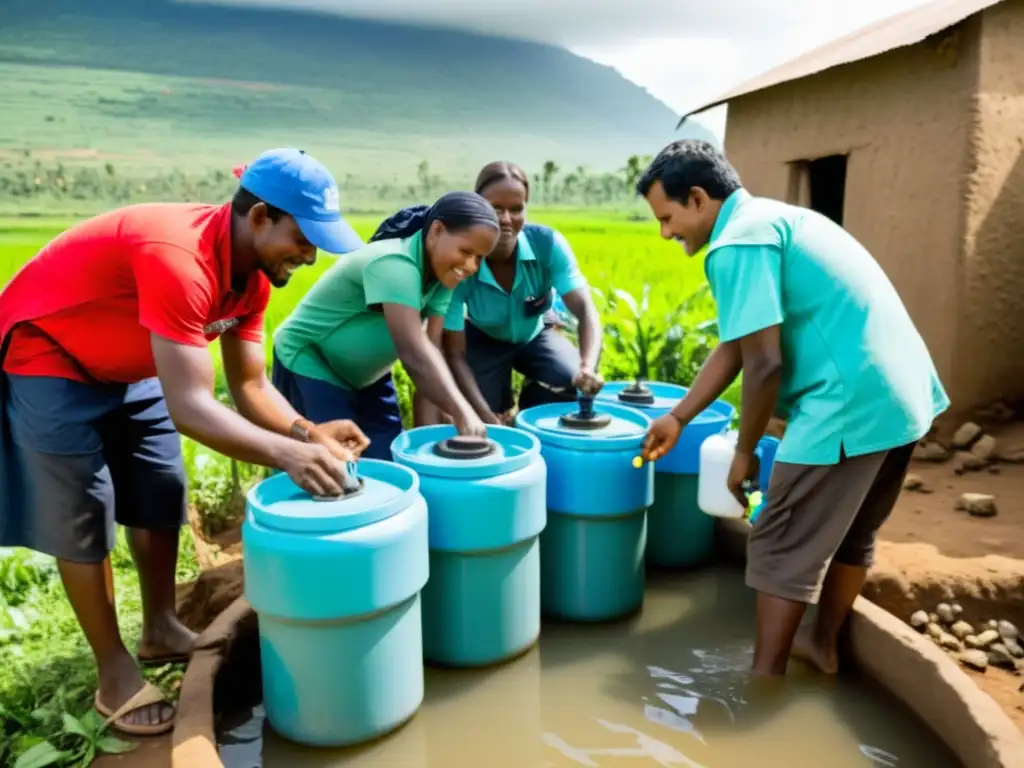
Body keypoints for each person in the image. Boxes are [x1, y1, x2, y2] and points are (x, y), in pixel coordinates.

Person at [0, 147, 372, 736]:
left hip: (131, 360)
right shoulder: (179, 257)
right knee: (82, 511)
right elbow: (193, 409)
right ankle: (114, 672)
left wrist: (307, 432)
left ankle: (160, 627)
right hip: (51, 353)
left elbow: (250, 385)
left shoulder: (251, 281)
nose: (311, 254)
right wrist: (286, 455)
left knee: (159, 483)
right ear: (259, 218)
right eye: (304, 237)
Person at [637, 140, 949, 677]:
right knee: (853, 533)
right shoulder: (775, 219)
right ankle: (821, 645)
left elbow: (763, 365)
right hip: (901, 399)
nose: (666, 233)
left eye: (667, 218)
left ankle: (760, 690)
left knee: (779, 544)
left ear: (696, 198)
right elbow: (738, 342)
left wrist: (743, 453)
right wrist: (679, 416)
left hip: (844, 406)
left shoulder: (736, 242)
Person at [271, 191, 500, 456]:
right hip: (311, 362)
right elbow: (413, 351)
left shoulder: (444, 275)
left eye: (480, 258)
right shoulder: (395, 263)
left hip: (369, 375)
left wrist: (434, 439)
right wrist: (463, 412)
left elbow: (431, 354)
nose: (471, 266)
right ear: (436, 231)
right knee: (332, 462)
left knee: (388, 456)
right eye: (466, 251)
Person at [434, 161, 603, 425]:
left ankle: (527, 411)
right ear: (479, 206)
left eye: (516, 209)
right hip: (482, 338)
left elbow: (585, 309)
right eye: (495, 208)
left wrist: (586, 367)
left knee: (570, 379)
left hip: (536, 334)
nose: (505, 219)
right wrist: (485, 416)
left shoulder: (547, 244)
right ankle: (499, 410)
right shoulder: (463, 260)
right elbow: (454, 354)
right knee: (473, 407)